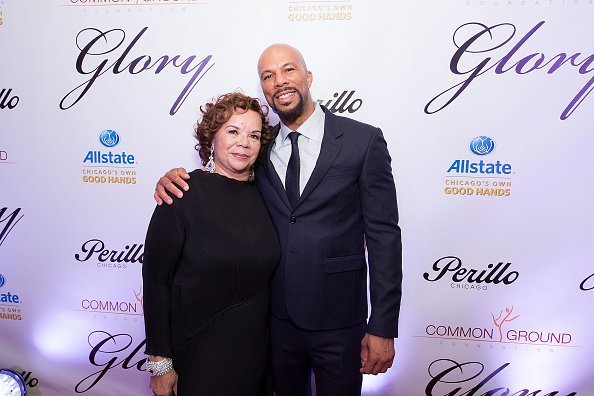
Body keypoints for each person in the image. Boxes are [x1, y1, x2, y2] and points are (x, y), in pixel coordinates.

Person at [154, 44, 402, 396]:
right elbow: (223, 179)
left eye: (288, 70)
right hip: (274, 326)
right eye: (268, 76)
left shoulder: (363, 141)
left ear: (308, 76)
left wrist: (382, 325)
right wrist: (172, 178)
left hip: (339, 324)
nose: (279, 81)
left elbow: (384, 237)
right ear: (263, 89)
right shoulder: (260, 146)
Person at [143, 92, 280, 396]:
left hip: (257, 356)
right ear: (211, 136)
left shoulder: (270, 197)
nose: (244, 142)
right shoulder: (180, 194)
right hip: (198, 353)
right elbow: (155, 283)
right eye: (233, 131)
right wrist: (161, 362)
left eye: (254, 135)